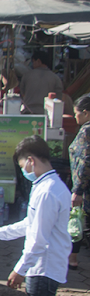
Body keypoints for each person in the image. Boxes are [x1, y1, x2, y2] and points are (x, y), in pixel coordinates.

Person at [0, 136, 71, 296]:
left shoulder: (47, 192)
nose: (23, 171)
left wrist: (20, 270)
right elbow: (30, 224)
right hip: (46, 265)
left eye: (22, 166)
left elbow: (38, 239)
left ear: (31, 160)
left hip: (43, 268)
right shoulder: (50, 186)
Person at [67, 94, 90, 268]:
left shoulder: (87, 131)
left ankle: (72, 260)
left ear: (86, 112)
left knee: (77, 222)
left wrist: (78, 190)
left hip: (86, 189)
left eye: (77, 113)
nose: (75, 117)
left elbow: (85, 162)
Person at [19, 50, 63, 115]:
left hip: (28, 112)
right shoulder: (55, 78)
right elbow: (58, 98)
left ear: (39, 61)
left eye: (33, 62)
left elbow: (22, 94)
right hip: (46, 114)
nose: (32, 64)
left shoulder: (27, 75)